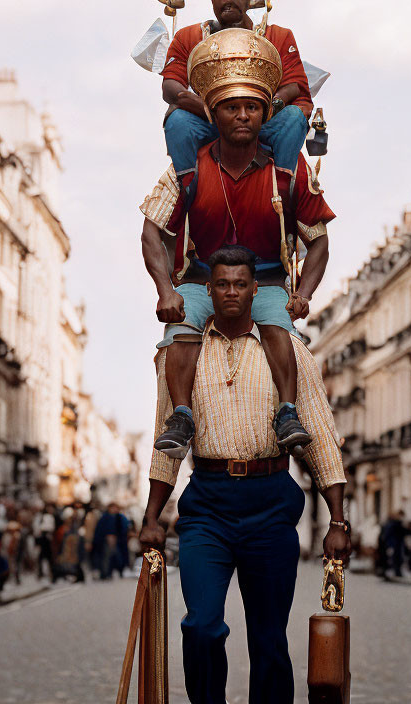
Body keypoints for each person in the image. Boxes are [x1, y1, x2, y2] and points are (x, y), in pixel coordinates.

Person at [139, 246, 351, 704]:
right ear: (208, 290)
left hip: (271, 502)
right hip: (208, 506)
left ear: (256, 290)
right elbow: (165, 437)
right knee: (200, 626)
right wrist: (152, 515)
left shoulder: (288, 350)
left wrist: (337, 520)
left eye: (240, 284)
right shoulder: (182, 353)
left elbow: (319, 433)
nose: (231, 292)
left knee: (270, 640)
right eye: (221, 284)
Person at [140, 27, 335, 460]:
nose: (243, 116)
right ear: (214, 114)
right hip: (203, 279)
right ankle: (182, 416)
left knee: (279, 328)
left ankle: (288, 412)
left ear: (265, 114)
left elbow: (319, 241)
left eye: (252, 107)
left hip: (265, 279)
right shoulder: (184, 171)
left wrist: (302, 295)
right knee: (179, 331)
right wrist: (166, 291)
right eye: (231, 108)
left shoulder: (291, 173)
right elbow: (151, 230)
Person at [160, 0, 313, 175]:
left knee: (293, 117)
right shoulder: (188, 37)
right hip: (212, 123)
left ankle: (282, 187)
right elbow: (170, 84)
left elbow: (294, 85)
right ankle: (187, 189)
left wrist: (271, 106)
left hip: (261, 124)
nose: (227, 1)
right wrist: (197, 104)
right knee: (178, 121)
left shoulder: (278, 36)